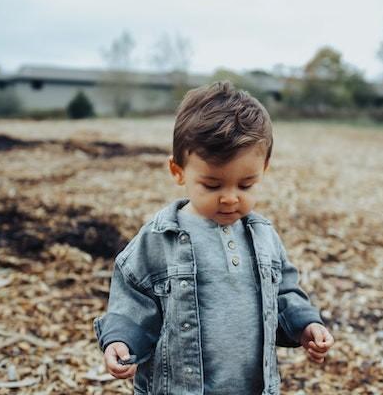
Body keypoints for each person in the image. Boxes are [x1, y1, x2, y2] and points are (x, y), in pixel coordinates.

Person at [94, 81, 334, 394]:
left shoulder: (264, 237)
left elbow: (284, 292)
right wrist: (120, 341)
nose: (230, 198)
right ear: (178, 171)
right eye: (212, 185)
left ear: (264, 170)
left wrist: (306, 324)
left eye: (246, 186)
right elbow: (133, 299)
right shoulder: (159, 239)